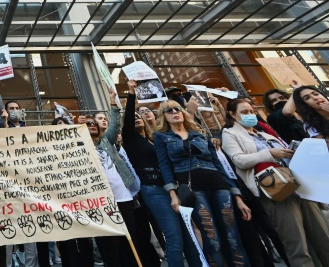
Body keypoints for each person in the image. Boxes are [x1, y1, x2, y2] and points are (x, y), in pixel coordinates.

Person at [222, 98, 329, 267]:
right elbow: (239, 160)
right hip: (276, 190)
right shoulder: (230, 134)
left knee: (323, 236)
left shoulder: (264, 133)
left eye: (252, 111)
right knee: (296, 244)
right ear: (232, 114)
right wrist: (270, 153)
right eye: (244, 112)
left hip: (299, 185)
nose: (250, 115)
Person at [153, 100, 252, 267]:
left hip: (218, 184)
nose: (174, 112)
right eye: (169, 111)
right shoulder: (162, 137)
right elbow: (164, 165)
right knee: (211, 237)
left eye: (177, 108)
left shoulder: (199, 132)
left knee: (232, 234)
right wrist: (172, 193)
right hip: (193, 188)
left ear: (183, 112)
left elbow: (217, 163)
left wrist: (237, 195)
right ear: (164, 117)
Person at [121, 81, 201, 267]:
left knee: (188, 237)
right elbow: (128, 117)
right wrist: (132, 94)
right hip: (153, 190)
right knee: (173, 236)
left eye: (139, 116)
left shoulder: (155, 138)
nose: (137, 118)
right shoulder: (131, 139)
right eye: (134, 116)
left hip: (171, 187)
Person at [89, 90, 158, 267]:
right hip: (103, 202)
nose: (92, 126)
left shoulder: (106, 141)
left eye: (93, 123)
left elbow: (113, 127)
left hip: (125, 198)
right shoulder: (81, 148)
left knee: (131, 240)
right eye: (88, 124)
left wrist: (113, 102)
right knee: (112, 244)